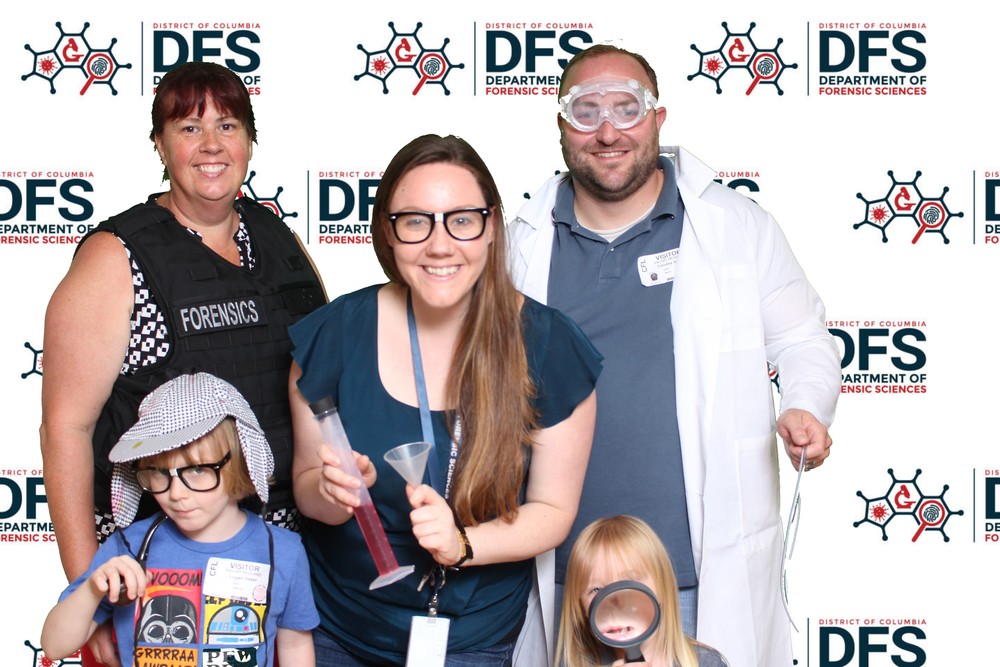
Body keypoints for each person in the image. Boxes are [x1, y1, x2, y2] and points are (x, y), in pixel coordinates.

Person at [508, 44, 841, 666]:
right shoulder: (520, 241)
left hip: (693, 577)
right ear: (561, 125)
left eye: (626, 108)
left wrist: (805, 406)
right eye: (586, 112)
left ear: (658, 118)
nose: (608, 132)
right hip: (566, 576)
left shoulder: (736, 225)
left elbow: (802, 340)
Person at [39, 61, 325, 666]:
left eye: (228, 125)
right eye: (189, 128)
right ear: (160, 144)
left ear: (250, 141)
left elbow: (319, 383)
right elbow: (66, 428)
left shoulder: (279, 239)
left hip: (278, 554)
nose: (212, 144)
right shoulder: (116, 256)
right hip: (162, 566)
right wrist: (90, 590)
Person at [288, 134, 602, 666]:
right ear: (387, 232)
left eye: (462, 220)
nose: (439, 245)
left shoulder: (549, 347)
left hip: (471, 640)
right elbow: (305, 488)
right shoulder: (334, 335)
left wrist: (463, 544)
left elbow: (552, 512)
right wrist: (332, 492)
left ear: (492, 226)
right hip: (341, 632)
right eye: (415, 221)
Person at [41, 372, 319, 667]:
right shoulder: (127, 548)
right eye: (159, 472)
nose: (175, 493)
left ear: (241, 461)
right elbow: (54, 646)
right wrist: (92, 589)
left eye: (197, 470)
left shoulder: (284, 552)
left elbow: (295, 646)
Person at [558, 516, 728, 667]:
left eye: (630, 582)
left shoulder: (707, 662)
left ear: (663, 587)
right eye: (597, 589)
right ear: (580, 607)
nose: (616, 601)